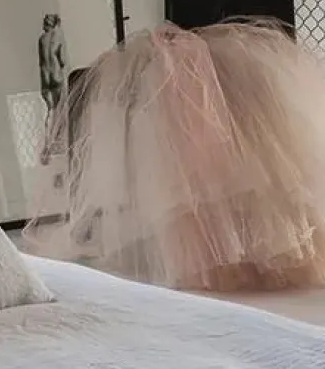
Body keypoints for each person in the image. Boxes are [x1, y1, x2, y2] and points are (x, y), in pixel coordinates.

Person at [25, 21, 325, 292]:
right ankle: (227, 251)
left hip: (221, 50)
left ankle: (246, 249)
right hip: (207, 47)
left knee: (239, 108)